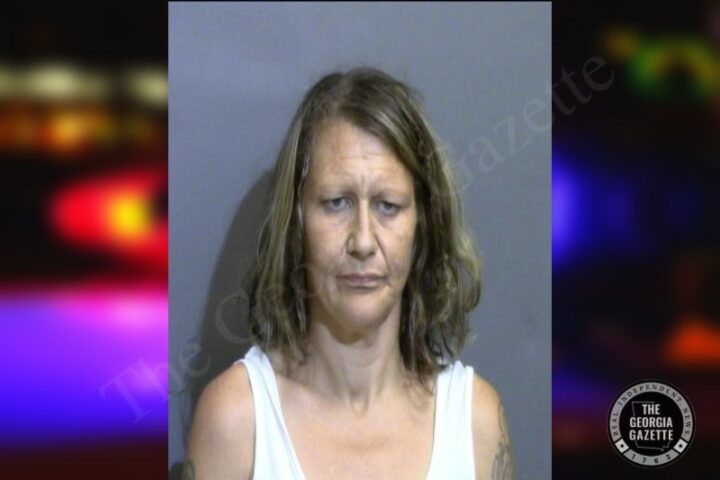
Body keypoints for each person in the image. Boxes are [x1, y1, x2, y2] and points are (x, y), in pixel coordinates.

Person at [184, 67, 515, 479]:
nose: (363, 241)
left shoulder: (476, 423)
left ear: (421, 224)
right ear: (297, 220)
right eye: (336, 202)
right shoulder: (236, 422)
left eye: (388, 205)